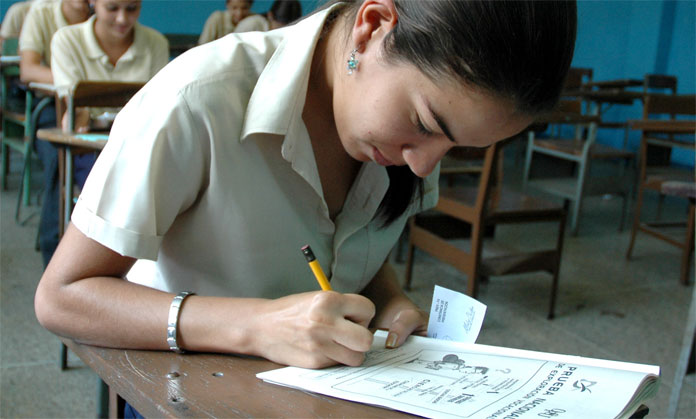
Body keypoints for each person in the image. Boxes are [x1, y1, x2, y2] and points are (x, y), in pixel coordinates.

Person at [36, 0, 576, 377]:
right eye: (426, 122)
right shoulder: (198, 100)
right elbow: (62, 297)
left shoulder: (398, 139)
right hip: (189, 388)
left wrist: (389, 301)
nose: (424, 165)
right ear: (372, 27)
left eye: (456, 148)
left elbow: (349, 243)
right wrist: (256, 326)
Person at [18, 0, 90, 268]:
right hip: (51, 104)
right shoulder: (43, 12)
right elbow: (28, 70)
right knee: (61, 157)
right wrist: (72, 79)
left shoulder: (110, 12)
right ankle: (54, 252)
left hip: (97, 107)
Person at [50, 0, 169, 133]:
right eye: (112, 8)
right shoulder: (67, 40)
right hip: (89, 139)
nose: (122, 19)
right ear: (93, 2)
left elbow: (156, 106)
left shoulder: (156, 43)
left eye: (132, 8)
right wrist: (80, 115)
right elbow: (75, 104)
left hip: (139, 137)